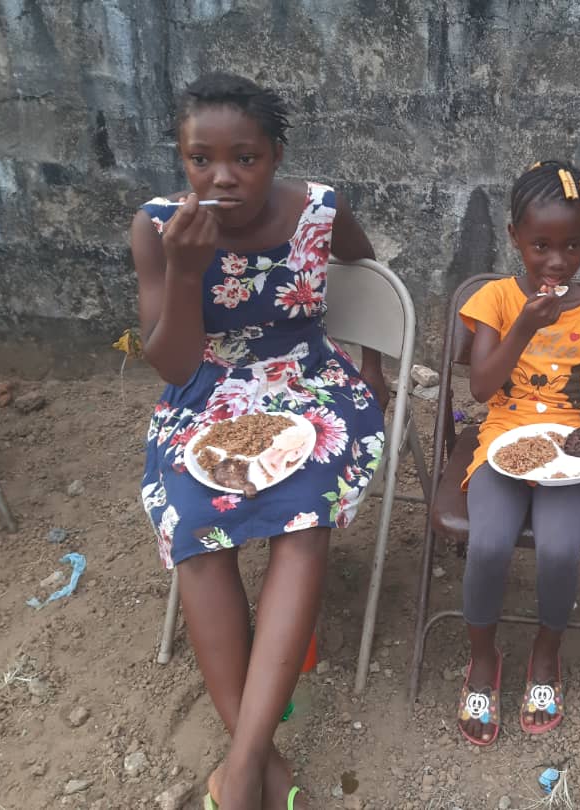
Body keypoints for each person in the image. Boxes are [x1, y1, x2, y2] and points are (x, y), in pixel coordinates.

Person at [131, 72, 388, 809]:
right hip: (204, 387)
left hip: (312, 384)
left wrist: (372, 366)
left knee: (304, 515)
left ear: (275, 155)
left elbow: (367, 271)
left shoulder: (319, 209)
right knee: (194, 520)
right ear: (182, 160)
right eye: (200, 159)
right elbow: (173, 364)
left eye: (244, 158)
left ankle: (239, 773)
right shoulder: (157, 228)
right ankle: (258, 762)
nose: (222, 177)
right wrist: (185, 270)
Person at [455, 161, 580, 745]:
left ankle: (545, 650)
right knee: (488, 544)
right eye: (541, 246)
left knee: (559, 551)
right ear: (515, 236)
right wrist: (524, 327)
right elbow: (480, 388)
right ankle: (483, 657)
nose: (557, 261)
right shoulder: (495, 299)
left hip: (571, 452)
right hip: (503, 442)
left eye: (572, 246)